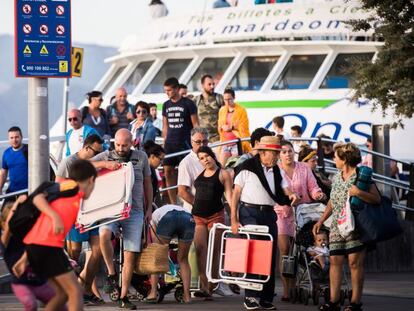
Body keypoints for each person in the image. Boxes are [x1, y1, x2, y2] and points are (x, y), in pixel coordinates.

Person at [16, 160, 97, 311]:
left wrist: (25, 258)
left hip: (43, 247)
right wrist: (55, 216)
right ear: (91, 180)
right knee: (75, 292)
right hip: (46, 247)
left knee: (62, 294)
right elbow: (37, 198)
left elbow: (41, 228)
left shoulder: (75, 196)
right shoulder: (72, 187)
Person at [230, 136, 299, 310]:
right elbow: (235, 194)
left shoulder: (276, 170)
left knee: (268, 254)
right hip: (249, 212)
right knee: (255, 252)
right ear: (262, 152)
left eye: (277, 153)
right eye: (274, 153)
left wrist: (291, 195)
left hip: (269, 213)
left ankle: (265, 297)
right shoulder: (247, 167)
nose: (276, 156)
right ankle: (251, 296)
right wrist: (234, 219)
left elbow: (285, 188)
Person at [313, 142, 381, 311]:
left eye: (336, 157)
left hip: (355, 224)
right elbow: (332, 200)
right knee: (335, 260)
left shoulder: (361, 176)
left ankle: (355, 303)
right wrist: (321, 220)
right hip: (337, 225)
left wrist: (359, 193)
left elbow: (377, 199)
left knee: (354, 263)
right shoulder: (336, 176)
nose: (334, 159)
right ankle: (333, 302)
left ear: (344, 159)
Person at [92, 128, 153, 310]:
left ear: (132, 143)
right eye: (117, 144)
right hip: (112, 209)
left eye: (124, 145)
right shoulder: (107, 155)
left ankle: (124, 295)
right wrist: (104, 164)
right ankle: (111, 274)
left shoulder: (141, 157)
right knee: (103, 235)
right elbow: (82, 164)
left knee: (130, 254)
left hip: (134, 211)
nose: (120, 148)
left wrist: (149, 208)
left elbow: (148, 184)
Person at [56, 134, 116, 304]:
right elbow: (58, 187)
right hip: (74, 213)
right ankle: (68, 290)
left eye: (100, 151)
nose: (98, 154)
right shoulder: (68, 162)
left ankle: (86, 289)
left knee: (97, 252)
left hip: (93, 212)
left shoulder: (94, 162)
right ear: (86, 147)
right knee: (73, 254)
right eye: (95, 151)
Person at [276, 140, 326, 302]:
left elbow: (313, 186)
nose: (287, 154)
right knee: (285, 250)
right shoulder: (275, 171)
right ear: (279, 155)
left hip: (304, 213)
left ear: (294, 152)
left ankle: (310, 283)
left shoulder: (304, 168)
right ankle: (287, 289)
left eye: (290, 151)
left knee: (306, 249)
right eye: (283, 152)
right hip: (282, 213)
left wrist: (318, 194)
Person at [192, 146, 233, 297]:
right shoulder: (199, 174)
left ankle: (212, 284)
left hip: (216, 215)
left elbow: (229, 196)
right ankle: (204, 285)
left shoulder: (223, 174)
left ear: (212, 155)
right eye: (201, 158)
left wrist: (235, 217)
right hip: (198, 217)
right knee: (200, 250)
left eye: (207, 156)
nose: (205, 160)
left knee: (214, 251)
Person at [1, 199, 55, 311]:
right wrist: (16, 205)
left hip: (40, 283)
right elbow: (9, 226)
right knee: (31, 304)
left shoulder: (29, 236)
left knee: (60, 303)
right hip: (21, 284)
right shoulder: (6, 241)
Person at [145, 204, 195, 303]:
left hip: (169, 218)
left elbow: (153, 239)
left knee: (157, 256)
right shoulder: (177, 208)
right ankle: (187, 296)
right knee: (183, 259)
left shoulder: (154, 216)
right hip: (188, 218)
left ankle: (153, 292)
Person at [162, 77, 199, 204]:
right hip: (170, 144)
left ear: (177, 89)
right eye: (165, 91)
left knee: (189, 171)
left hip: (185, 143)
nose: (167, 93)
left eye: (169, 90)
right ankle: (173, 203)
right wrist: (164, 141)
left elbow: (196, 124)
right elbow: (165, 126)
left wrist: (197, 142)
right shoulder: (166, 105)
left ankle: (190, 200)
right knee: (168, 171)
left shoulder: (188, 103)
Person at [177, 127, 209, 212]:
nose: (202, 145)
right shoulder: (186, 163)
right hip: (195, 212)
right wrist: (200, 206)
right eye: (198, 142)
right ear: (192, 143)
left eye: (204, 141)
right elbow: (182, 191)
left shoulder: (213, 157)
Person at [218, 88, 251, 166]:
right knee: (221, 166)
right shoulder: (222, 110)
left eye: (229, 99)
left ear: (234, 98)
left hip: (237, 143)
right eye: (225, 100)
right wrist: (222, 127)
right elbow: (219, 125)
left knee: (235, 166)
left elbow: (244, 125)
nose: (227, 102)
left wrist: (231, 127)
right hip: (225, 142)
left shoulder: (241, 110)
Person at [0, 127, 28, 202]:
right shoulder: (6, 153)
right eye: (11, 138)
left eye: (16, 137)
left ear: (21, 137)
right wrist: (0, 188)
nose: (14, 140)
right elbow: (3, 173)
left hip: (28, 191)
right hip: (12, 191)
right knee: (5, 213)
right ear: (8, 139)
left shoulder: (28, 150)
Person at [194, 74, 224, 144]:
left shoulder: (220, 98)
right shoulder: (196, 100)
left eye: (213, 84)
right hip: (202, 140)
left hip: (218, 139)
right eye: (209, 84)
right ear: (202, 85)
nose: (212, 86)